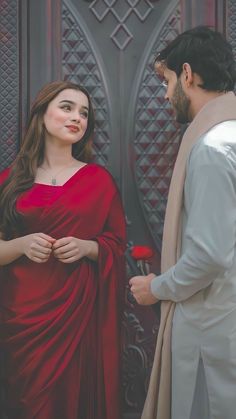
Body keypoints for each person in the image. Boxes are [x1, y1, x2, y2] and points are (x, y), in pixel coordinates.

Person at [0, 80, 126, 419]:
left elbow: (117, 247)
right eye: (67, 107)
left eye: (84, 113)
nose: (77, 118)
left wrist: (88, 247)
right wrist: (20, 244)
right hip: (22, 317)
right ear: (42, 115)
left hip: (77, 316)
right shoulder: (10, 181)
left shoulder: (99, 181)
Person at [130, 26, 236, 419]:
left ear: (188, 74)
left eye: (166, 80)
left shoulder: (213, 148)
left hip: (213, 338)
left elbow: (208, 258)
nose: (164, 94)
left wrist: (156, 287)